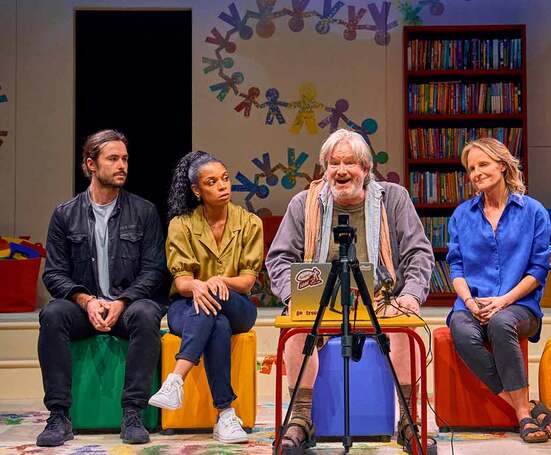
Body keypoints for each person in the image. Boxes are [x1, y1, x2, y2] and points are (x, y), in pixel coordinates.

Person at [265, 129, 435, 453]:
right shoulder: (305, 203)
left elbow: (419, 253)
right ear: (324, 169)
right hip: (321, 301)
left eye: (350, 163)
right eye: (333, 163)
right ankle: (300, 420)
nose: (341, 171)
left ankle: (409, 420)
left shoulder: (393, 198)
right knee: (296, 328)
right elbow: (279, 258)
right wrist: (294, 298)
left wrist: (411, 295)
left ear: (367, 169)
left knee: (403, 326)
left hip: (383, 297)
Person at [38, 129, 167, 446]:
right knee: (52, 314)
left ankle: (133, 413)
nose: (122, 164)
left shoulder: (144, 211)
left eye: (124, 158)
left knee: (147, 312)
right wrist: (86, 300)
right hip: (85, 308)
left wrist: (122, 302)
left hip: (126, 307)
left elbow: (154, 271)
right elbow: (53, 273)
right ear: (91, 164)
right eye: (113, 158)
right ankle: (58, 416)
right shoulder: (65, 214)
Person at [446, 137, 551, 443]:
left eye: (483, 164)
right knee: (460, 329)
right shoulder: (461, 215)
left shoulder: (533, 211)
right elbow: (455, 267)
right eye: (471, 168)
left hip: (519, 305)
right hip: (473, 303)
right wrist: (468, 301)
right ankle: (527, 409)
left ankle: (522, 415)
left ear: (503, 165)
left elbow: (538, 269)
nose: (476, 172)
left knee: (500, 321)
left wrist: (503, 301)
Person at [148, 151, 262, 444]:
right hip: (186, 306)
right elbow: (182, 280)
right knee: (217, 324)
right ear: (197, 191)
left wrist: (216, 281)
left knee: (218, 307)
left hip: (238, 305)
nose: (223, 186)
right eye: (212, 182)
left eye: (225, 179)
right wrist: (197, 286)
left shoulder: (249, 223)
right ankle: (225, 415)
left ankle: (176, 378)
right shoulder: (181, 225)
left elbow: (248, 280)